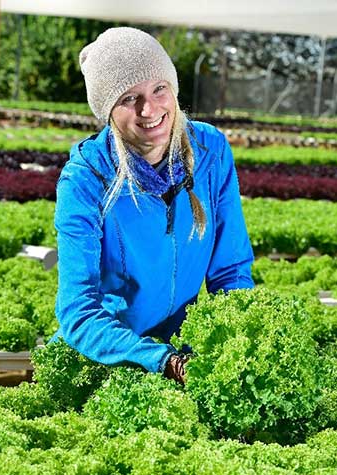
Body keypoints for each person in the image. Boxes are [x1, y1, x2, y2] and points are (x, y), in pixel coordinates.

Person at [52, 26, 254, 385]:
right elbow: (78, 314)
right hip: (112, 360)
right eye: (129, 98)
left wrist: (235, 343)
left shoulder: (210, 151)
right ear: (107, 112)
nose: (150, 109)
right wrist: (162, 360)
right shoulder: (85, 180)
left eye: (159, 89)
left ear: (173, 88)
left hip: (188, 357)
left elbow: (231, 272)